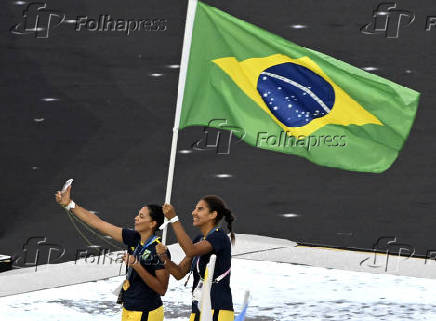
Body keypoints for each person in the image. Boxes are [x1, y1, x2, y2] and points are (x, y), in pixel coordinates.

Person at [55, 184, 170, 321]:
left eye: (141, 216)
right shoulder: (134, 238)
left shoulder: (159, 250)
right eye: (137, 215)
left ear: (152, 224)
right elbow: (100, 224)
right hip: (129, 308)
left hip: (146, 312)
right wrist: (70, 204)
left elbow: (162, 289)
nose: (136, 218)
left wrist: (137, 265)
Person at [156, 195, 235, 321]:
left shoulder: (219, 237)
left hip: (217, 310)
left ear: (213, 215)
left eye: (200, 209)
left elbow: (190, 250)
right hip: (197, 310)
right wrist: (163, 257)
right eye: (195, 209)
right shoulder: (199, 240)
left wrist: (174, 219)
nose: (194, 212)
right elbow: (179, 273)